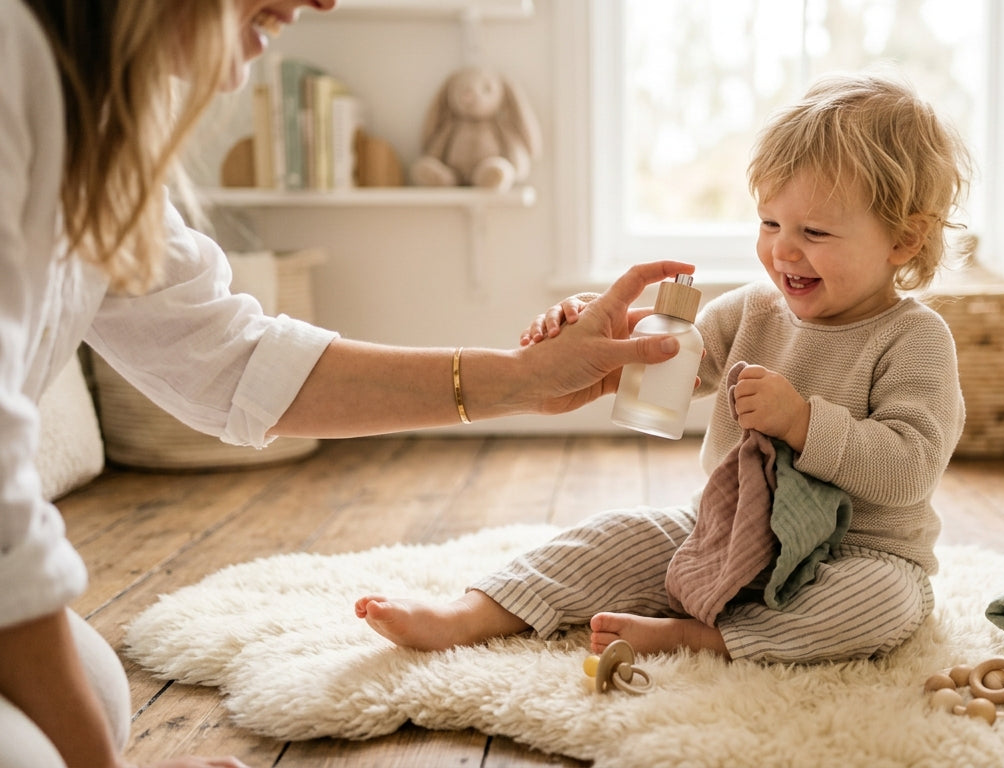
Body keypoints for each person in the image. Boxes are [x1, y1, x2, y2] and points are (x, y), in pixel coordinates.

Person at [0, 2, 695, 767]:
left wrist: (524, 381)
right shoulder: (12, 62)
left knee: (93, 693)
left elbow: (231, 357)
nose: (325, 1)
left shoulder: (96, 122)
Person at [355, 72, 971, 665]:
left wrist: (805, 422)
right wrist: (602, 338)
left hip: (853, 554)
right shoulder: (752, 311)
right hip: (732, 535)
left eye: (814, 231)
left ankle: (705, 639)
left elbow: (910, 470)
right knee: (615, 534)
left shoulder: (914, 339)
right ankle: (473, 613)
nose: (783, 249)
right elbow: (671, 367)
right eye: (769, 222)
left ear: (903, 240)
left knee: (886, 604)